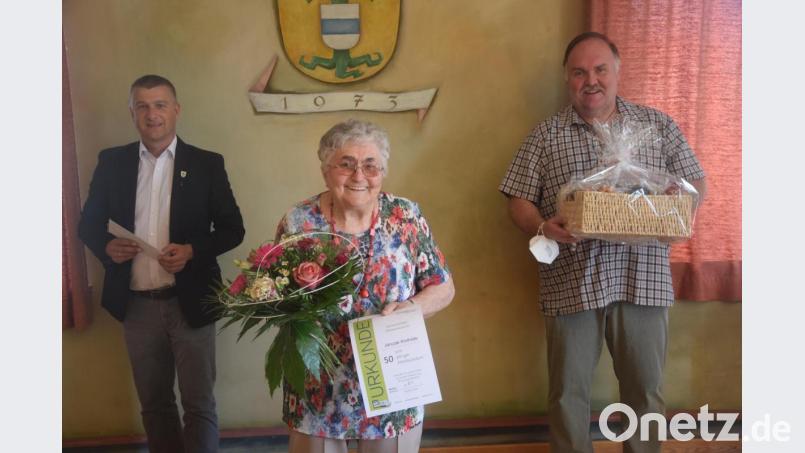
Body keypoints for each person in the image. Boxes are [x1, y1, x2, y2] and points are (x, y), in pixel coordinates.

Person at [499, 32, 707, 453]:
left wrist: (679, 207)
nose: (590, 80)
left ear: (617, 71)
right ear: (567, 78)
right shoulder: (546, 135)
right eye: (579, 72)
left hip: (643, 279)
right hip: (570, 281)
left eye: (600, 70)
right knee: (567, 394)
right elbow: (517, 199)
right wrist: (543, 227)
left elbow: (694, 181)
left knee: (645, 391)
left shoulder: (657, 126)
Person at [78, 74, 245, 453]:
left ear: (176, 110)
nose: (151, 114)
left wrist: (192, 251)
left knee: (199, 405)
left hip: (191, 302)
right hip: (137, 305)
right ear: (132, 113)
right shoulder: (112, 162)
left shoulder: (206, 163)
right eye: (142, 106)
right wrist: (107, 247)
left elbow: (233, 229)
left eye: (160, 105)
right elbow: (88, 224)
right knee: (154, 405)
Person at [275, 119, 455, 453]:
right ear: (325, 171)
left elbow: (443, 287)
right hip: (318, 390)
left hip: (393, 386)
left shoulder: (406, 216)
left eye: (371, 165)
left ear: (382, 171)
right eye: (346, 164)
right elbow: (277, 293)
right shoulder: (299, 222)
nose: (359, 176)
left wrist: (411, 309)